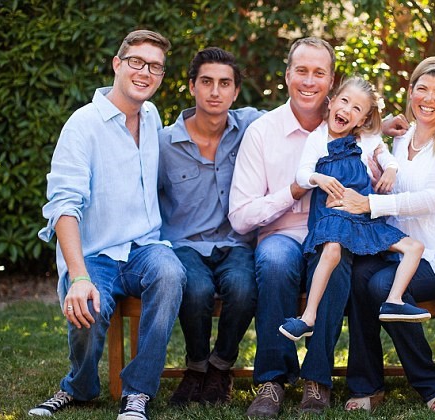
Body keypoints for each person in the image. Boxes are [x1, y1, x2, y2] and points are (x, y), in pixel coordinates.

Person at [29, 30, 186, 420]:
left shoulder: (151, 116)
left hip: (144, 249)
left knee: (171, 274)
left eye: (155, 67)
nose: (145, 72)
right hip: (95, 252)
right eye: (136, 62)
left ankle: (138, 392)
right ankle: (79, 386)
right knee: (88, 303)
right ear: (117, 64)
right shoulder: (82, 125)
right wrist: (78, 275)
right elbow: (64, 206)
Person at [327, 56, 435, 412]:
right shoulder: (402, 135)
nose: (429, 98)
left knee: (381, 286)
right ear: (410, 92)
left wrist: (370, 203)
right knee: (358, 277)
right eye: (422, 89)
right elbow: (362, 136)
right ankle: (366, 386)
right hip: (396, 247)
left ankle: (432, 383)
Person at [229, 36, 353, 416]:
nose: (309, 81)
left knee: (335, 262)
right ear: (287, 76)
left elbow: (380, 147)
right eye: (302, 71)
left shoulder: (349, 125)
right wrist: (293, 191)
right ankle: (272, 379)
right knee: (275, 261)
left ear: (331, 81)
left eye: (319, 73)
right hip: (281, 234)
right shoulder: (262, 132)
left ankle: (317, 379)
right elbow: (240, 216)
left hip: (330, 234)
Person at [278, 76, 428, 342]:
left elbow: (387, 158)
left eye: (356, 108)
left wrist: (391, 170)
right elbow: (302, 174)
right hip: (334, 214)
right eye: (344, 101)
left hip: (363, 217)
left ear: (362, 120)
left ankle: (394, 300)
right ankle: (308, 317)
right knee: (332, 250)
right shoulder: (317, 139)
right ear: (331, 102)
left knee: (414, 247)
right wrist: (318, 178)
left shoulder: (367, 140)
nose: (347, 110)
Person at [158, 47, 263, 406]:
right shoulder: (164, 144)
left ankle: (220, 367)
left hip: (235, 242)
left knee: (243, 287)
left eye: (224, 83)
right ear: (192, 86)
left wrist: (375, 126)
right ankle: (196, 367)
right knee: (197, 290)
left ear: (236, 91)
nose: (215, 91)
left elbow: (304, 115)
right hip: (184, 243)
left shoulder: (251, 127)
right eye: (206, 82)